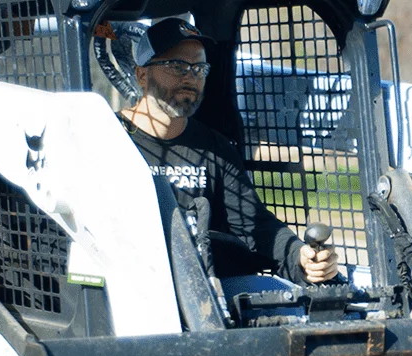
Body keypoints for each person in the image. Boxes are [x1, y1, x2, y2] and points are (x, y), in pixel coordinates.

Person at [118, 14, 341, 285]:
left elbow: (254, 226)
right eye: (177, 66)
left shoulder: (214, 147)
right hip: (129, 285)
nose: (191, 77)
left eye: (199, 69)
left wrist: (300, 257)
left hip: (204, 288)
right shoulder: (108, 137)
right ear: (142, 74)